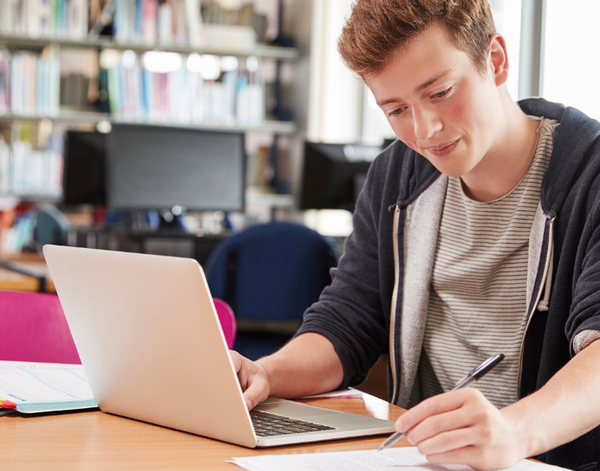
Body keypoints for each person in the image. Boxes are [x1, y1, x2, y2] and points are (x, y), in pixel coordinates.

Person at [231, 1, 600, 469]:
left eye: (441, 92)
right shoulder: (397, 175)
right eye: (396, 109)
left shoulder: (590, 173)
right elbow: (348, 320)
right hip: (421, 459)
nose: (425, 131)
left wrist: (515, 431)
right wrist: (264, 373)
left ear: (498, 60)